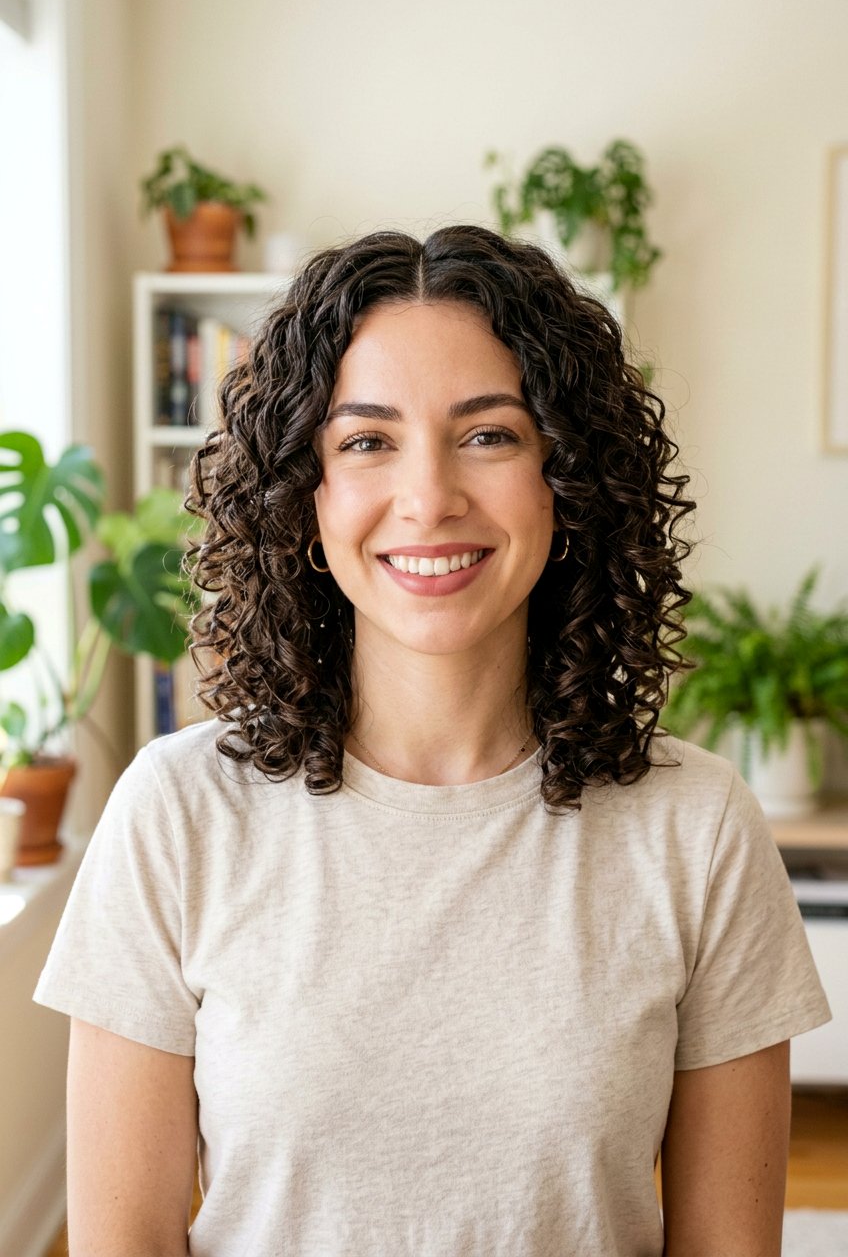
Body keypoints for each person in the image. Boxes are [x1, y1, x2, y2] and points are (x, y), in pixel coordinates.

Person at [35, 224, 830, 1257]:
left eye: (488, 435)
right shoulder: (177, 812)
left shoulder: (698, 827)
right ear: (304, 494)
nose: (428, 499)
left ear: (565, 477)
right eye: (367, 441)